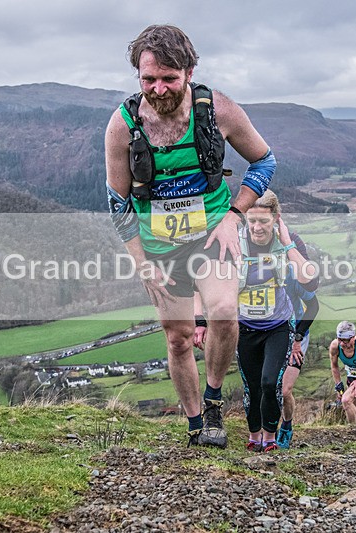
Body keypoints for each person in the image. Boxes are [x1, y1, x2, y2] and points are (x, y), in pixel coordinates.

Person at [105, 25, 276, 448]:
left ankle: (215, 398)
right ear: (137, 76)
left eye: (169, 78)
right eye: (149, 80)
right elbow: (117, 201)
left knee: (222, 311)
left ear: (190, 71)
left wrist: (234, 216)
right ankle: (197, 422)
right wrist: (141, 263)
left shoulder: (218, 111)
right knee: (179, 336)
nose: (158, 89)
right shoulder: (123, 126)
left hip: (213, 234)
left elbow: (264, 161)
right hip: (159, 246)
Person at [197, 190, 314, 452]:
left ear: (276, 219)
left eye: (264, 221)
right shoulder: (233, 242)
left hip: (279, 326)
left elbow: (310, 280)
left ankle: (270, 438)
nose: (257, 228)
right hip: (245, 328)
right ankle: (253, 437)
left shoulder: (290, 241)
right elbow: (202, 279)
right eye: (251, 221)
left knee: (270, 383)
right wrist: (200, 321)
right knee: (252, 387)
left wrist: (287, 244)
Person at [276, 234, 320, 449]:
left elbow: (313, 307)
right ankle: (264, 429)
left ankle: (286, 424)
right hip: (269, 333)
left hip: (295, 335)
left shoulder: (293, 276)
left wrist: (298, 335)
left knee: (284, 391)